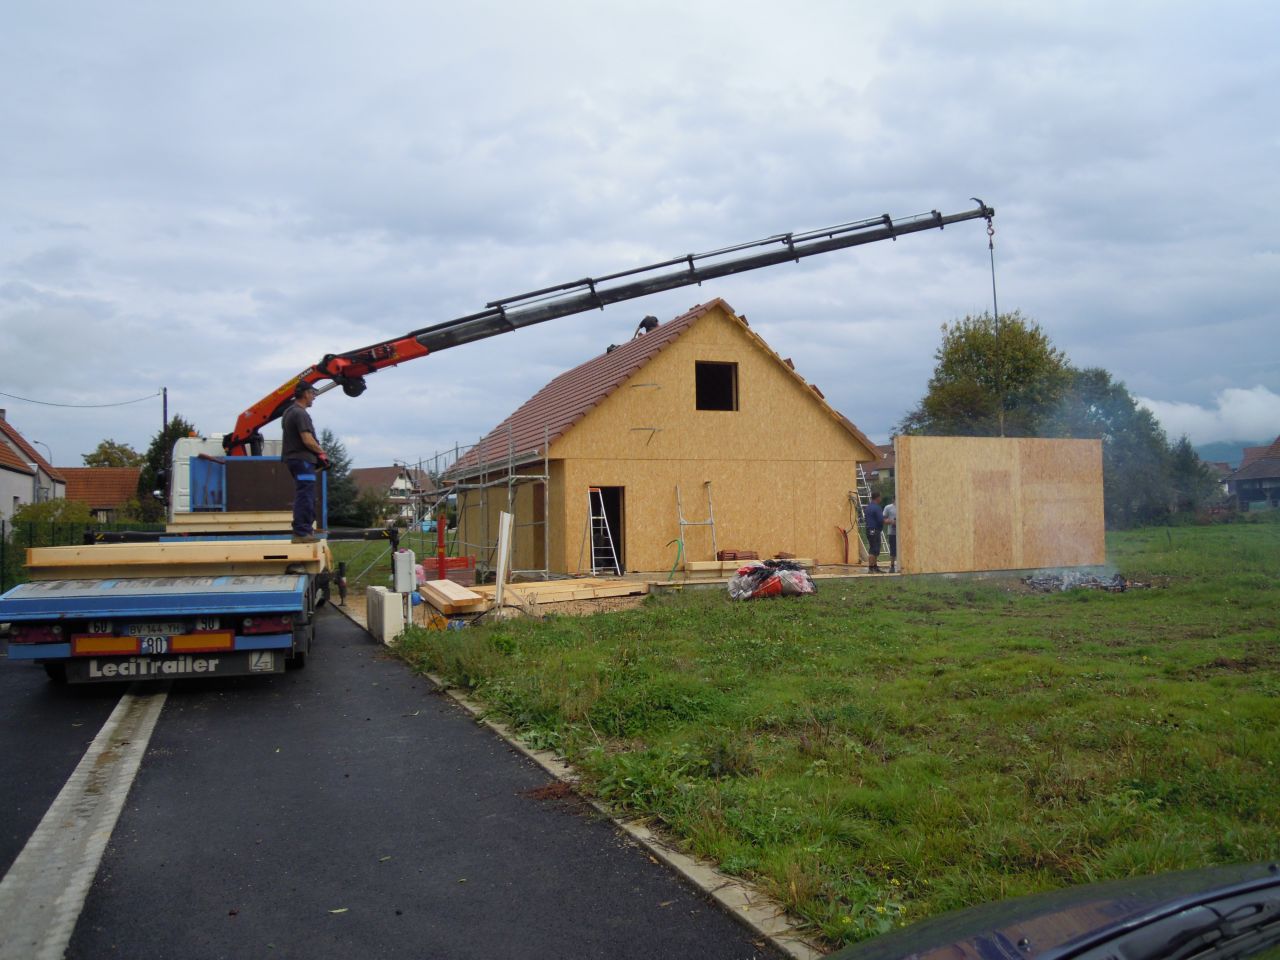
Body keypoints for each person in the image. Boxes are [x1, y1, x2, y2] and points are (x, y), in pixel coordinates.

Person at [281, 381, 329, 543]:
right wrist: (321, 453)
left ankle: (302, 531)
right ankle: (302, 533)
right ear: (305, 393)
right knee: (306, 496)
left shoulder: (288, 412)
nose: (314, 397)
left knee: (305, 494)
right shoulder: (300, 414)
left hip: (296, 460)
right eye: (312, 394)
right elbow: (307, 439)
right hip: (302, 461)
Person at [865, 491, 885, 573]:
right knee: (874, 548)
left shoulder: (868, 507)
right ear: (877, 498)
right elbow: (880, 520)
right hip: (874, 530)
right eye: (880, 497)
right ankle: (871, 567)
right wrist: (890, 521)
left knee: (874, 548)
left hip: (869, 529)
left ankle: (874, 566)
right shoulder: (877, 507)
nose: (881, 499)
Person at [883, 498, 898, 573]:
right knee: (893, 550)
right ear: (893, 499)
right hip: (892, 532)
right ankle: (892, 565)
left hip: (904, 533)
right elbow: (884, 519)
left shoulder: (904, 506)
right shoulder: (888, 507)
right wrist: (892, 522)